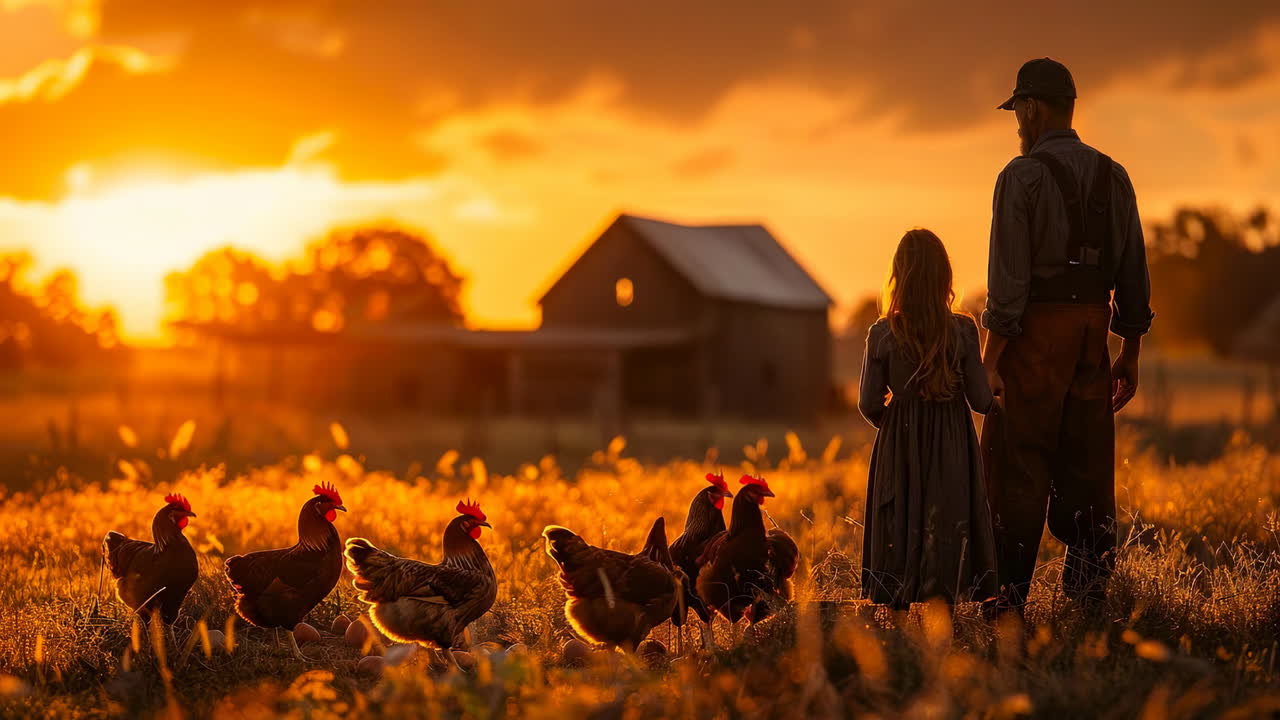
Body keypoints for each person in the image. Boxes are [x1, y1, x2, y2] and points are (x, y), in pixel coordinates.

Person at [982, 58, 1154, 612]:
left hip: (1033, 344)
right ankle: (1088, 604)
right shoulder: (1116, 175)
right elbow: (1133, 275)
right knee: (1088, 472)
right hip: (1091, 340)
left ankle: (1007, 603)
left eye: (1018, 112)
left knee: (1016, 468)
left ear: (1032, 108)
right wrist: (1128, 351)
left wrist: (989, 363)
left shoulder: (1020, 177)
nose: (1017, 125)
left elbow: (1007, 288)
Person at [858, 228, 998, 609]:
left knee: (897, 521)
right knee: (949, 518)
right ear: (944, 276)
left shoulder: (882, 333)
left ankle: (899, 617)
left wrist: (896, 426)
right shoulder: (963, 329)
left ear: (899, 275)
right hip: (953, 441)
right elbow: (982, 401)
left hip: (897, 444)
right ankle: (943, 620)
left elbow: (868, 402)